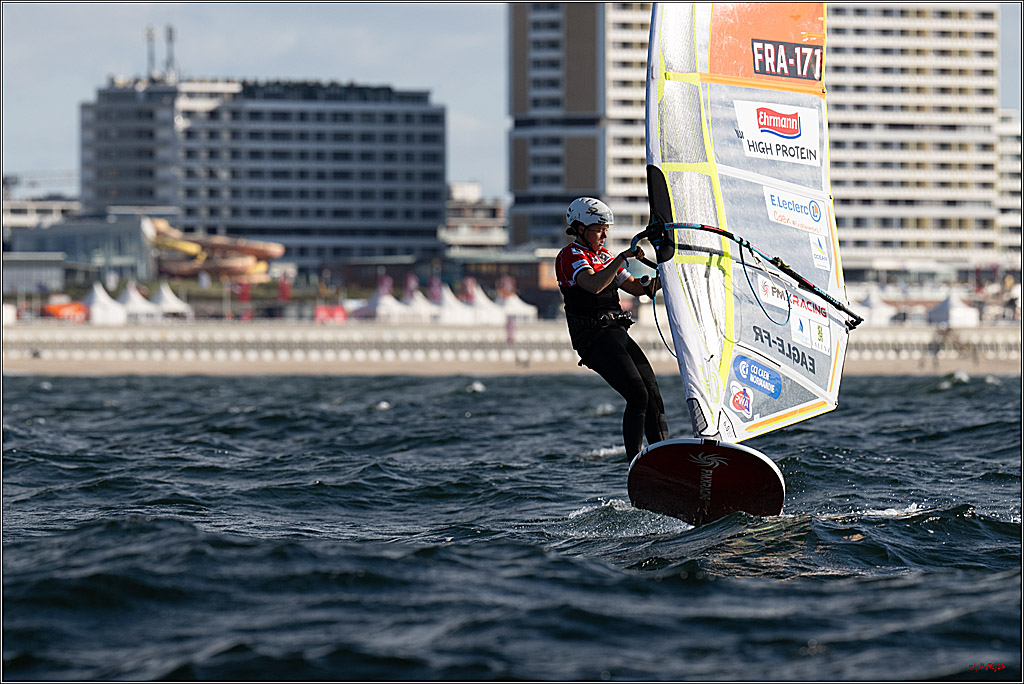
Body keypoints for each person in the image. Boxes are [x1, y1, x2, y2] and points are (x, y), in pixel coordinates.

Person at [555, 197, 669, 460]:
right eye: (598, 229)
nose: (604, 234)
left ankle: (663, 456)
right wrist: (620, 259)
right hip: (593, 338)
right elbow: (593, 285)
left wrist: (669, 274)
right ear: (579, 229)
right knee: (637, 394)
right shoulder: (569, 256)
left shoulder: (603, 256)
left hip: (617, 333)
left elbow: (641, 289)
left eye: (606, 229)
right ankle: (635, 463)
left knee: (652, 392)